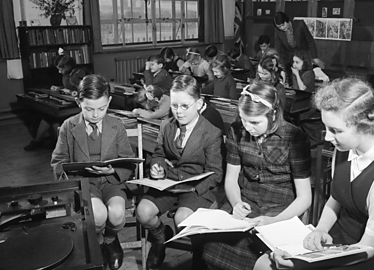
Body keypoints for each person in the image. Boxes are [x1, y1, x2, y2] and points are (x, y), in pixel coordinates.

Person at [269, 78, 374, 270]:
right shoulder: (344, 148)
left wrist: (304, 262)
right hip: (346, 232)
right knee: (267, 261)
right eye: (326, 128)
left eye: (335, 130)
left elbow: (368, 248)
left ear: (366, 123)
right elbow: (337, 197)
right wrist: (320, 229)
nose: (326, 137)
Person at [202, 81, 312, 270]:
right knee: (210, 248)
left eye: (255, 122)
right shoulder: (237, 130)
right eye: (244, 120)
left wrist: (274, 221)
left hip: (282, 209)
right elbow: (231, 179)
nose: (248, 127)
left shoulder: (294, 137)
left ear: (273, 114)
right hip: (247, 204)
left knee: (263, 259)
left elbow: (305, 198)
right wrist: (236, 203)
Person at [135, 75, 224, 269]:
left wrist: (194, 188)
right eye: (174, 106)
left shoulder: (211, 132)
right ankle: (160, 238)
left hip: (197, 187)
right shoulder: (167, 126)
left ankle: (199, 256)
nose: (179, 112)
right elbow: (158, 154)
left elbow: (216, 172)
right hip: (169, 183)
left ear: (199, 103)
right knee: (143, 212)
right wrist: (157, 168)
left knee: (182, 219)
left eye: (185, 106)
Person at [51, 74, 135, 270]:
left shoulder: (116, 125)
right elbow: (58, 162)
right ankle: (96, 242)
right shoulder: (68, 126)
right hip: (84, 183)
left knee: (116, 214)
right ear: (78, 102)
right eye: (89, 109)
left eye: (102, 108)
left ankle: (110, 239)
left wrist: (113, 169)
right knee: (97, 216)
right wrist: (67, 177)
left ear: (109, 102)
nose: (96, 114)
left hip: (111, 181)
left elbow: (128, 161)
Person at [24, 54, 86, 151]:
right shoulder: (66, 75)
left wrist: (70, 92)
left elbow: (84, 90)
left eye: (61, 69)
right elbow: (68, 88)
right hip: (69, 103)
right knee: (48, 116)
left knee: (53, 117)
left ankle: (58, 145)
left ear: (68, 67)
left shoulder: (78, 74)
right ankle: (40, 141)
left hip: (79, 105)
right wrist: (59, 88)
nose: (59, 72)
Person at [273, 12, 324, 84]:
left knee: (305, 80)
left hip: (303, 56)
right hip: (288, 57)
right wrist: (276, 58)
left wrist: (315, 57)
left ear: (287, 20)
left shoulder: (300, 24)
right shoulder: (278, 31)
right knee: (291, 81)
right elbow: (277, 46)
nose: (281, 28)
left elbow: (310, 40)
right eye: (279, 27)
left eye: (282, 25)